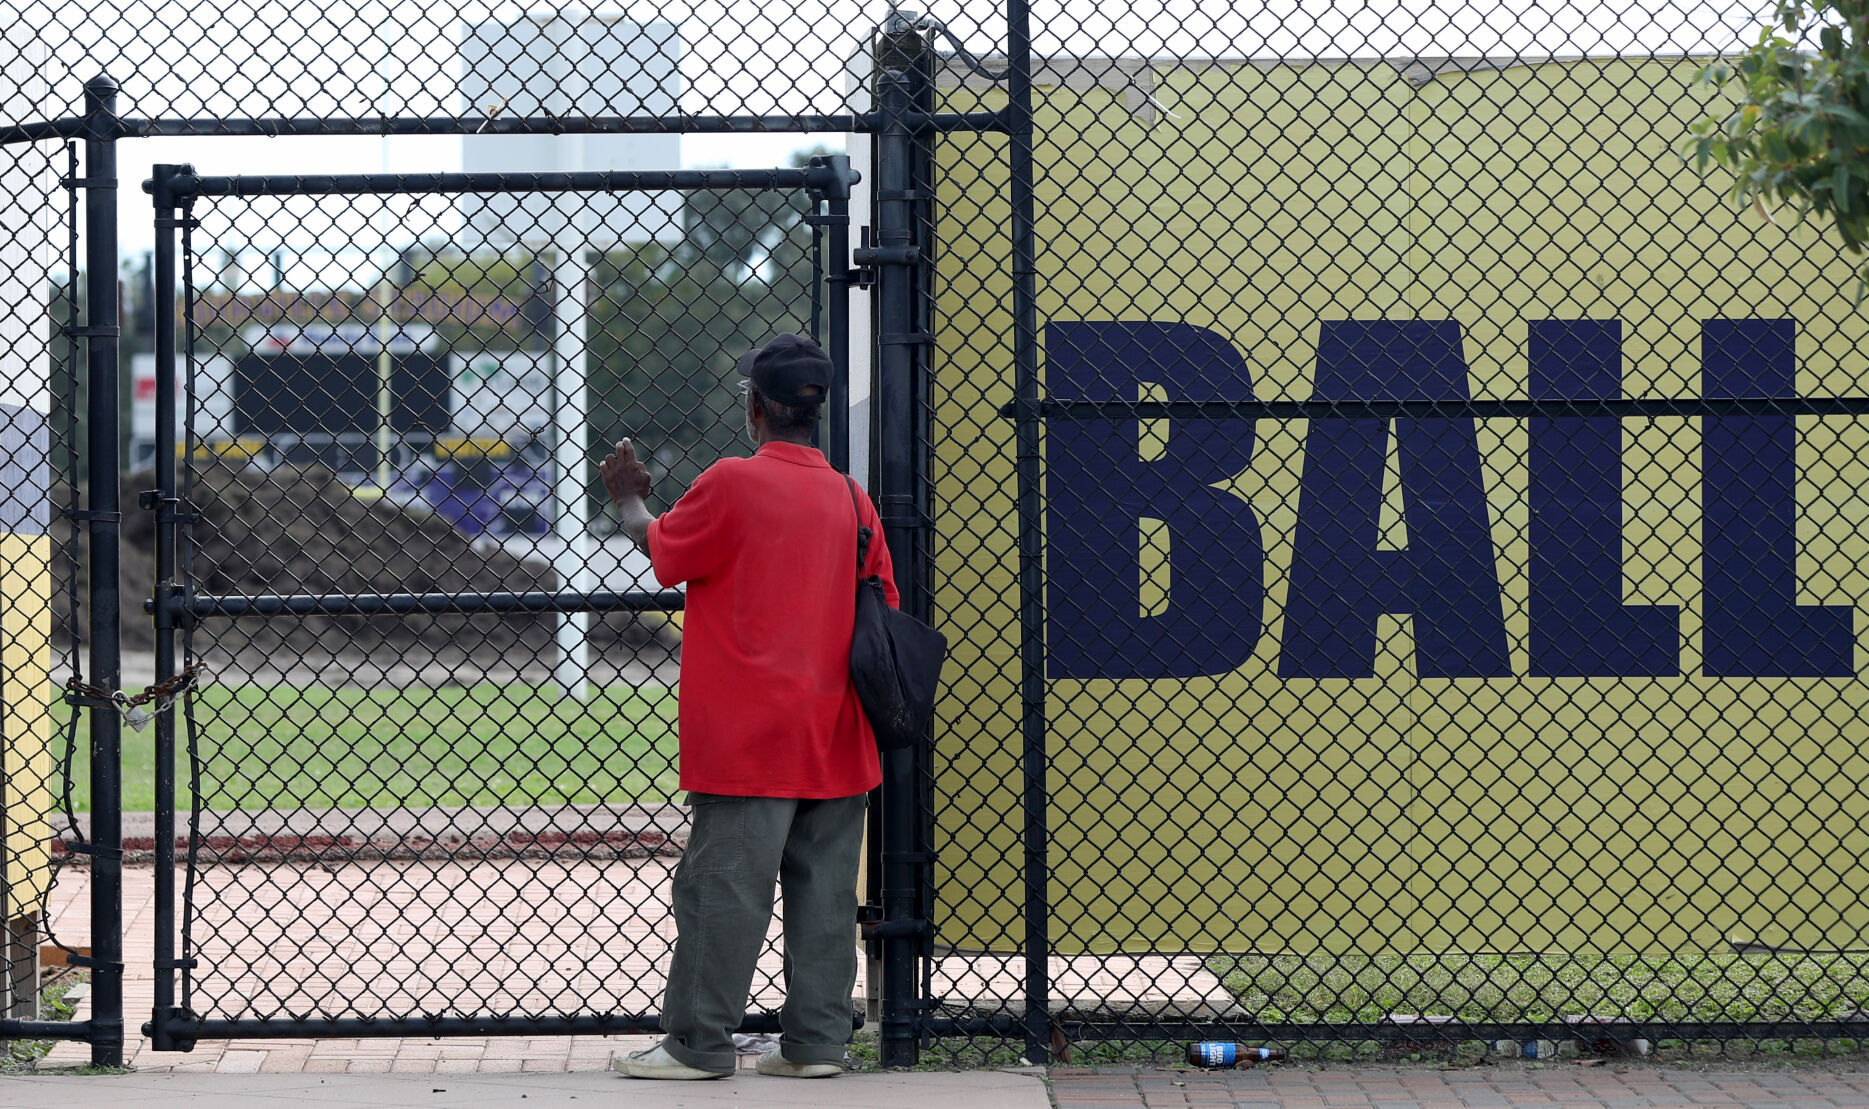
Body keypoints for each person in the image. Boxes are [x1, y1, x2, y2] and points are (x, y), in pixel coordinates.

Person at [598, 333, 898, 1081]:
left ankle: (697, 1043)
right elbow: (884, 604)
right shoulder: (851, 497)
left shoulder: (733, 481)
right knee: (826, 896)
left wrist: (629, 496)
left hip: (749, 733)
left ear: (755, 408)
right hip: (839, 731)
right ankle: (816, 1044)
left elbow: (663, 548)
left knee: (723, 890)